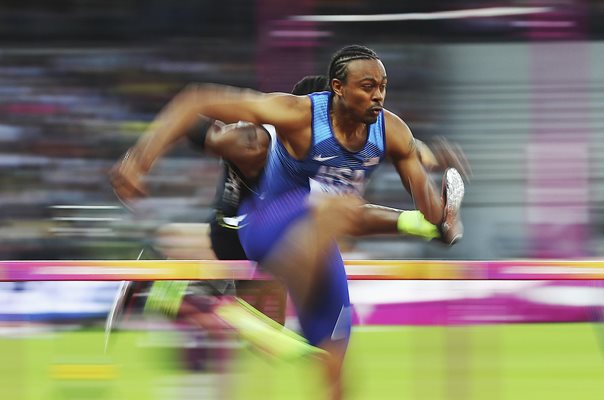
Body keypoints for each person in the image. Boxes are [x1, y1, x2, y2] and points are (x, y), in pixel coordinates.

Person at [111, 46, 466, 399]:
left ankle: (190, 298)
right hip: (243, 224)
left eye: (382, 87)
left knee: (310, 351)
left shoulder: (373, 130)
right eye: (367, 87)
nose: (377, 95)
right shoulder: (260, 136)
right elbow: (196, 109)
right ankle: (176, 289)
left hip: (306, 235)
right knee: (332, 211)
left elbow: (405, 150)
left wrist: (437, 194)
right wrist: (140, 158)